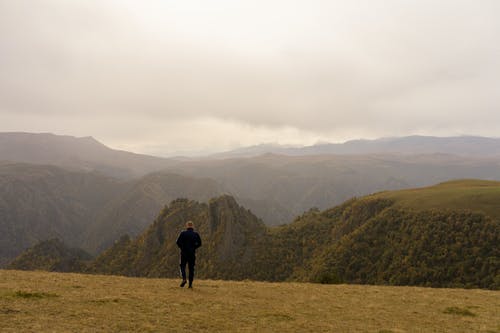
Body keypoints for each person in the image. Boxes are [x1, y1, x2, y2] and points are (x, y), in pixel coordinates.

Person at [176, 221, 202, 288]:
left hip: (184, 253)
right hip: (192, 254)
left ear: (187, 226)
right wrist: (194, 247)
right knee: (191, 269)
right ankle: (190, 285)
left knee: (182, 266)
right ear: (192, 226)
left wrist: (182, 247)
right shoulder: (195, 234)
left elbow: (178, 242)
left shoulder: (183, 233)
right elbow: (200, 243)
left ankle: (184, 279)